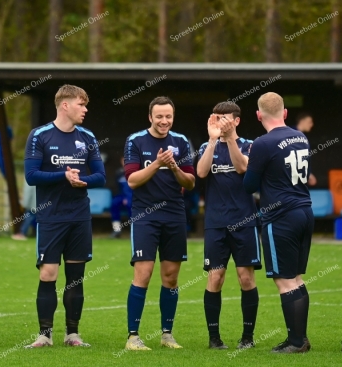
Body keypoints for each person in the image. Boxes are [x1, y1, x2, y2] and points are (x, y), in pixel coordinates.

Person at [23, 85, 106, 348]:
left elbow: (101, 176)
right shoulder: (39, 135)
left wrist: (81, 181)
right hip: (50, 216)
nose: (85, 109)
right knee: (48, 273)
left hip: (79, 216)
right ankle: (44, 335)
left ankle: (72, 333)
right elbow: (31, 175)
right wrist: (64, 175)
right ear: (65, 105)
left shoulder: (88, 137)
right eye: (81, 104)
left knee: (76, 276)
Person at [123, 96, 195, 351]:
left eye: (168, 116)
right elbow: (132, 181)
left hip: (174, 215)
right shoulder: (135, 141)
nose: (164, 121)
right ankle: (133, 337)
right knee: (143, 274)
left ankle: (167, 334)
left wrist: (174, 167)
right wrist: (157, 163)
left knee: (171, 277)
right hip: (145, 216)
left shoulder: (182, 142)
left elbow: (190, 182)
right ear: (150, 117)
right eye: (159, 116)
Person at [241, 93, 311, 353]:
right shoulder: (300, 137)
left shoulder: (262, 143)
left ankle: (295, 342)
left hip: (280, 216)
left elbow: (249, 185)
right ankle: (300, 338)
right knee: (297, 277)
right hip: (305, 210)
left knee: (284, 280)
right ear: (284, 113)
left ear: (259, 115)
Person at [197, 101, 260, 350]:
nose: (220, 122)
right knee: (215, 277)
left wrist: (230, 138)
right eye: (216, 118)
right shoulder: (206, 146)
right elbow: (201, 173)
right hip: (215, 223)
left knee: (246, 278)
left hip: (245, 221)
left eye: (225, 119)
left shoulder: (250, 145)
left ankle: (247, 337)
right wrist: (213, 141)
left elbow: (243, 167)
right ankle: (214, 339)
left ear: (236, 121)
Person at [110, 156, 132, 238]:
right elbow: (116, 188)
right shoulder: (119, 173)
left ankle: (133, 230)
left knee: (130, 205)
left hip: (131, 196)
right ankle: (117, 230)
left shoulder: (134, 172)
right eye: (123, 161)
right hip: (121, 196)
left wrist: (127, 197)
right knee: (114, 204)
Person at [294, 113, 318, 186]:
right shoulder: (292, 135)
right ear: (302, 121)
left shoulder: (302, 136)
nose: (312, 125)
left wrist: (308, 173)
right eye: (309, 122)